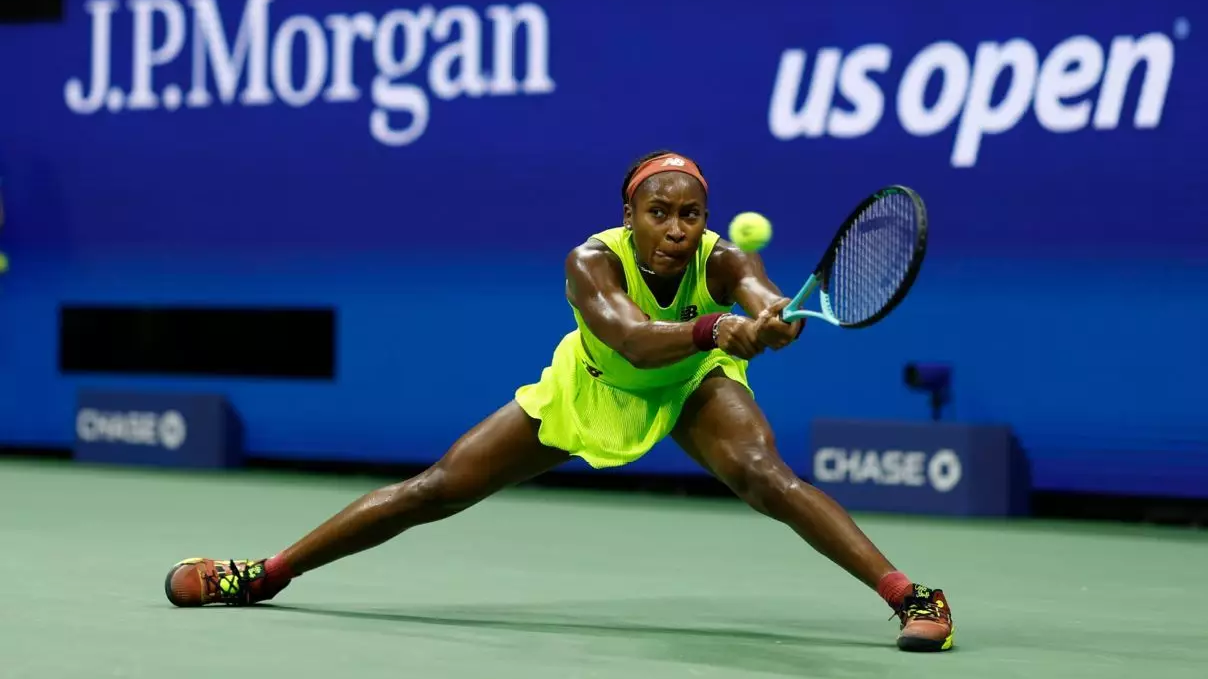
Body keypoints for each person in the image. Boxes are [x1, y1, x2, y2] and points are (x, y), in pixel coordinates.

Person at [163, 150, 955, 652]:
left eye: (691, 215)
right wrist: (719, 327)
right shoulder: (590, 263)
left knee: (767, 479)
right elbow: (634, 338)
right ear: (629, 216)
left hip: (691, 388)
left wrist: (769, 324)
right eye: (660, 213)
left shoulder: (725, 258)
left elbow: (759, 291)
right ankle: (264, 573)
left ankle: (912, 594)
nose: (677, 229)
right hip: (591, 385)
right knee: (435, 488)